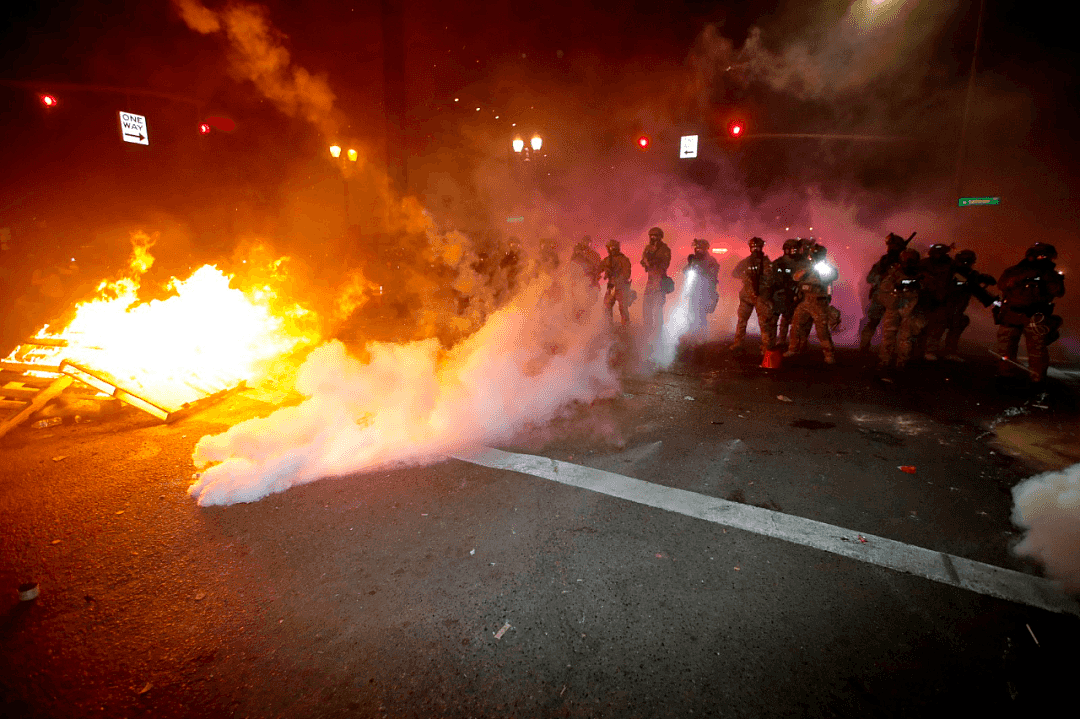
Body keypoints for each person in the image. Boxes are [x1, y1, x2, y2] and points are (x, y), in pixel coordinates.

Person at [994, 243, 1065, 384]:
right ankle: (1006, 376)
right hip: (1012, 314)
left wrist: (1046, 276)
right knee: (1006, 349)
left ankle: (1036, 379)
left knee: (1037, 351)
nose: (1045, 259)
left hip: (1035, 315)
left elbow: (1058, 291)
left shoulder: (1049, 274)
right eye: (1042, 256)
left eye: (1047, 257)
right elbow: (1002, 285)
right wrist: (1025, 275)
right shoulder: (1015, 271)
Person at [924, 249, 997, 361]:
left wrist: (990, 296)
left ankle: (950, 352)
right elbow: (969, 285)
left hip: (957, 308)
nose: (966, 264)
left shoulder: (970, 275)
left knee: (956, 327)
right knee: (938, 328)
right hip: (943, 305)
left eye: (968, 262)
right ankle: (930, 351)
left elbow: (976, 289)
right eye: (964, 262)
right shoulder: (949, 271)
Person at [859, 232, 913, 352]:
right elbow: (870, 277)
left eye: (893, 245)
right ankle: (864, 346)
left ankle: (894, 350)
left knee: (899, 325)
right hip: (881, 296)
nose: (890, 248)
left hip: (898, 297)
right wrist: (882, 278)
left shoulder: (907, 261)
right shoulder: (884, 261)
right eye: (890, 245)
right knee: (873, 321)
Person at [786, 243, 837, 364]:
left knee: (822, 330)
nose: (813, 257)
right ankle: (792, 349)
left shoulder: (827, 267)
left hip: (819, 302)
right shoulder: (807, 267)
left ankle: (829, 355)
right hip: (805, 300)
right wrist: (807, 271)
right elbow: (795, 277)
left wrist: (820, 271)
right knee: (795, 326)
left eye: (815, 255)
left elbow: (831, 277)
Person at [876, 248, 927, 370]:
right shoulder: (895, 271)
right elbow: (884, 287)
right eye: (906, 260)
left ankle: (901, 363)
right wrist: (897, 284)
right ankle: (885, 361)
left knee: (906, 338)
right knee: (889, 336)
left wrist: (917, 284)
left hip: (909, 308)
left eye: (911, 260)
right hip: (894, 306)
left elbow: (927, 287)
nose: (908, 263)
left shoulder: (921, 274)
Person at [730, 237, 774, 354]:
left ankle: (766, 347)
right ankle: (738, 343)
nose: (755, 250)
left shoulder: (766, 262)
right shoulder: (746, 262)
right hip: (747, 296)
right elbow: (734, 273)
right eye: (753, 247)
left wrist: (762, 284)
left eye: (757, 247)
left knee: (764, 323)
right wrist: (745, 277)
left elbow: (771, 278)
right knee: (742, 321)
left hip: (761, 296)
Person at [918, 243, 955, 360]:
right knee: (920, 326)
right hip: (925, 299)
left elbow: (956, 279)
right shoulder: (923, 264)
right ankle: (918, 349)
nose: (938, 256)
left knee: (937, 327)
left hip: (941, 299)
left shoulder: (951, 265)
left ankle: (930, 350)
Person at [770, 239, 804, 349]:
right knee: (774, 320)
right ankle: (773, 343)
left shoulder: (802, 264)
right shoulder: (778, 263)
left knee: (789, 319)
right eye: (791, 249)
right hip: (779, 295)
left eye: (795, 249)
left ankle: (787, 342)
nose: (793, 251)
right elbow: (771, 279)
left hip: (793, 295)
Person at [640, 227, 672, 343]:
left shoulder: (665, 249)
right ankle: (647, 333)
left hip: (660, 283)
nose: (653, 238)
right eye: (651, 236)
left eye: (656, 236)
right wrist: (645, 261)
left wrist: (652, 261)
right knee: (646, 309)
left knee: (658, 310)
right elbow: (643, 261)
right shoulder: (648, 248)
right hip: (650, 282)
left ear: (660, 237)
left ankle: (658, 335)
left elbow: (664, 264)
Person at [683, 238, 721, 337]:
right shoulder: (693, 259)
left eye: (700, 248)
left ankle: (702, 335)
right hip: (694, 289)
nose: (698, 250)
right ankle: (692, 332)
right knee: (692, 311)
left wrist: (703, 272)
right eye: (697, 248)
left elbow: (714, 273)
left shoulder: (711, 260)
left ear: (705, 249)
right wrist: (690, 266)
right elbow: (685, 270)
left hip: (705, 290)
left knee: (701, 313)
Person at [569, 235, 603, 320]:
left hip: (590, 281)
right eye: (585, 242)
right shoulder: (576, 255)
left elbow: (599, 267)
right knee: (577, 302)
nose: (587, 244)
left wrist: (595, 277)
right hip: (579, 281)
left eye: (588, 242)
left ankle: (588, 320)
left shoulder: (593, 254)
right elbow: (572, 266)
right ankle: (576, 321)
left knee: (589, 303)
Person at [601, 239, 634, 325]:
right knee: (606, 306)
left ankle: (626, 328)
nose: (608, 250)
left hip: (621, 287)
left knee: (623, 309)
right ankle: (608, 327)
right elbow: (599, 268)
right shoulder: (608, 260)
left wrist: (616, 280)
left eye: (610, 248)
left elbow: (626, 274)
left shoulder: (623, 259)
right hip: (611, 287)